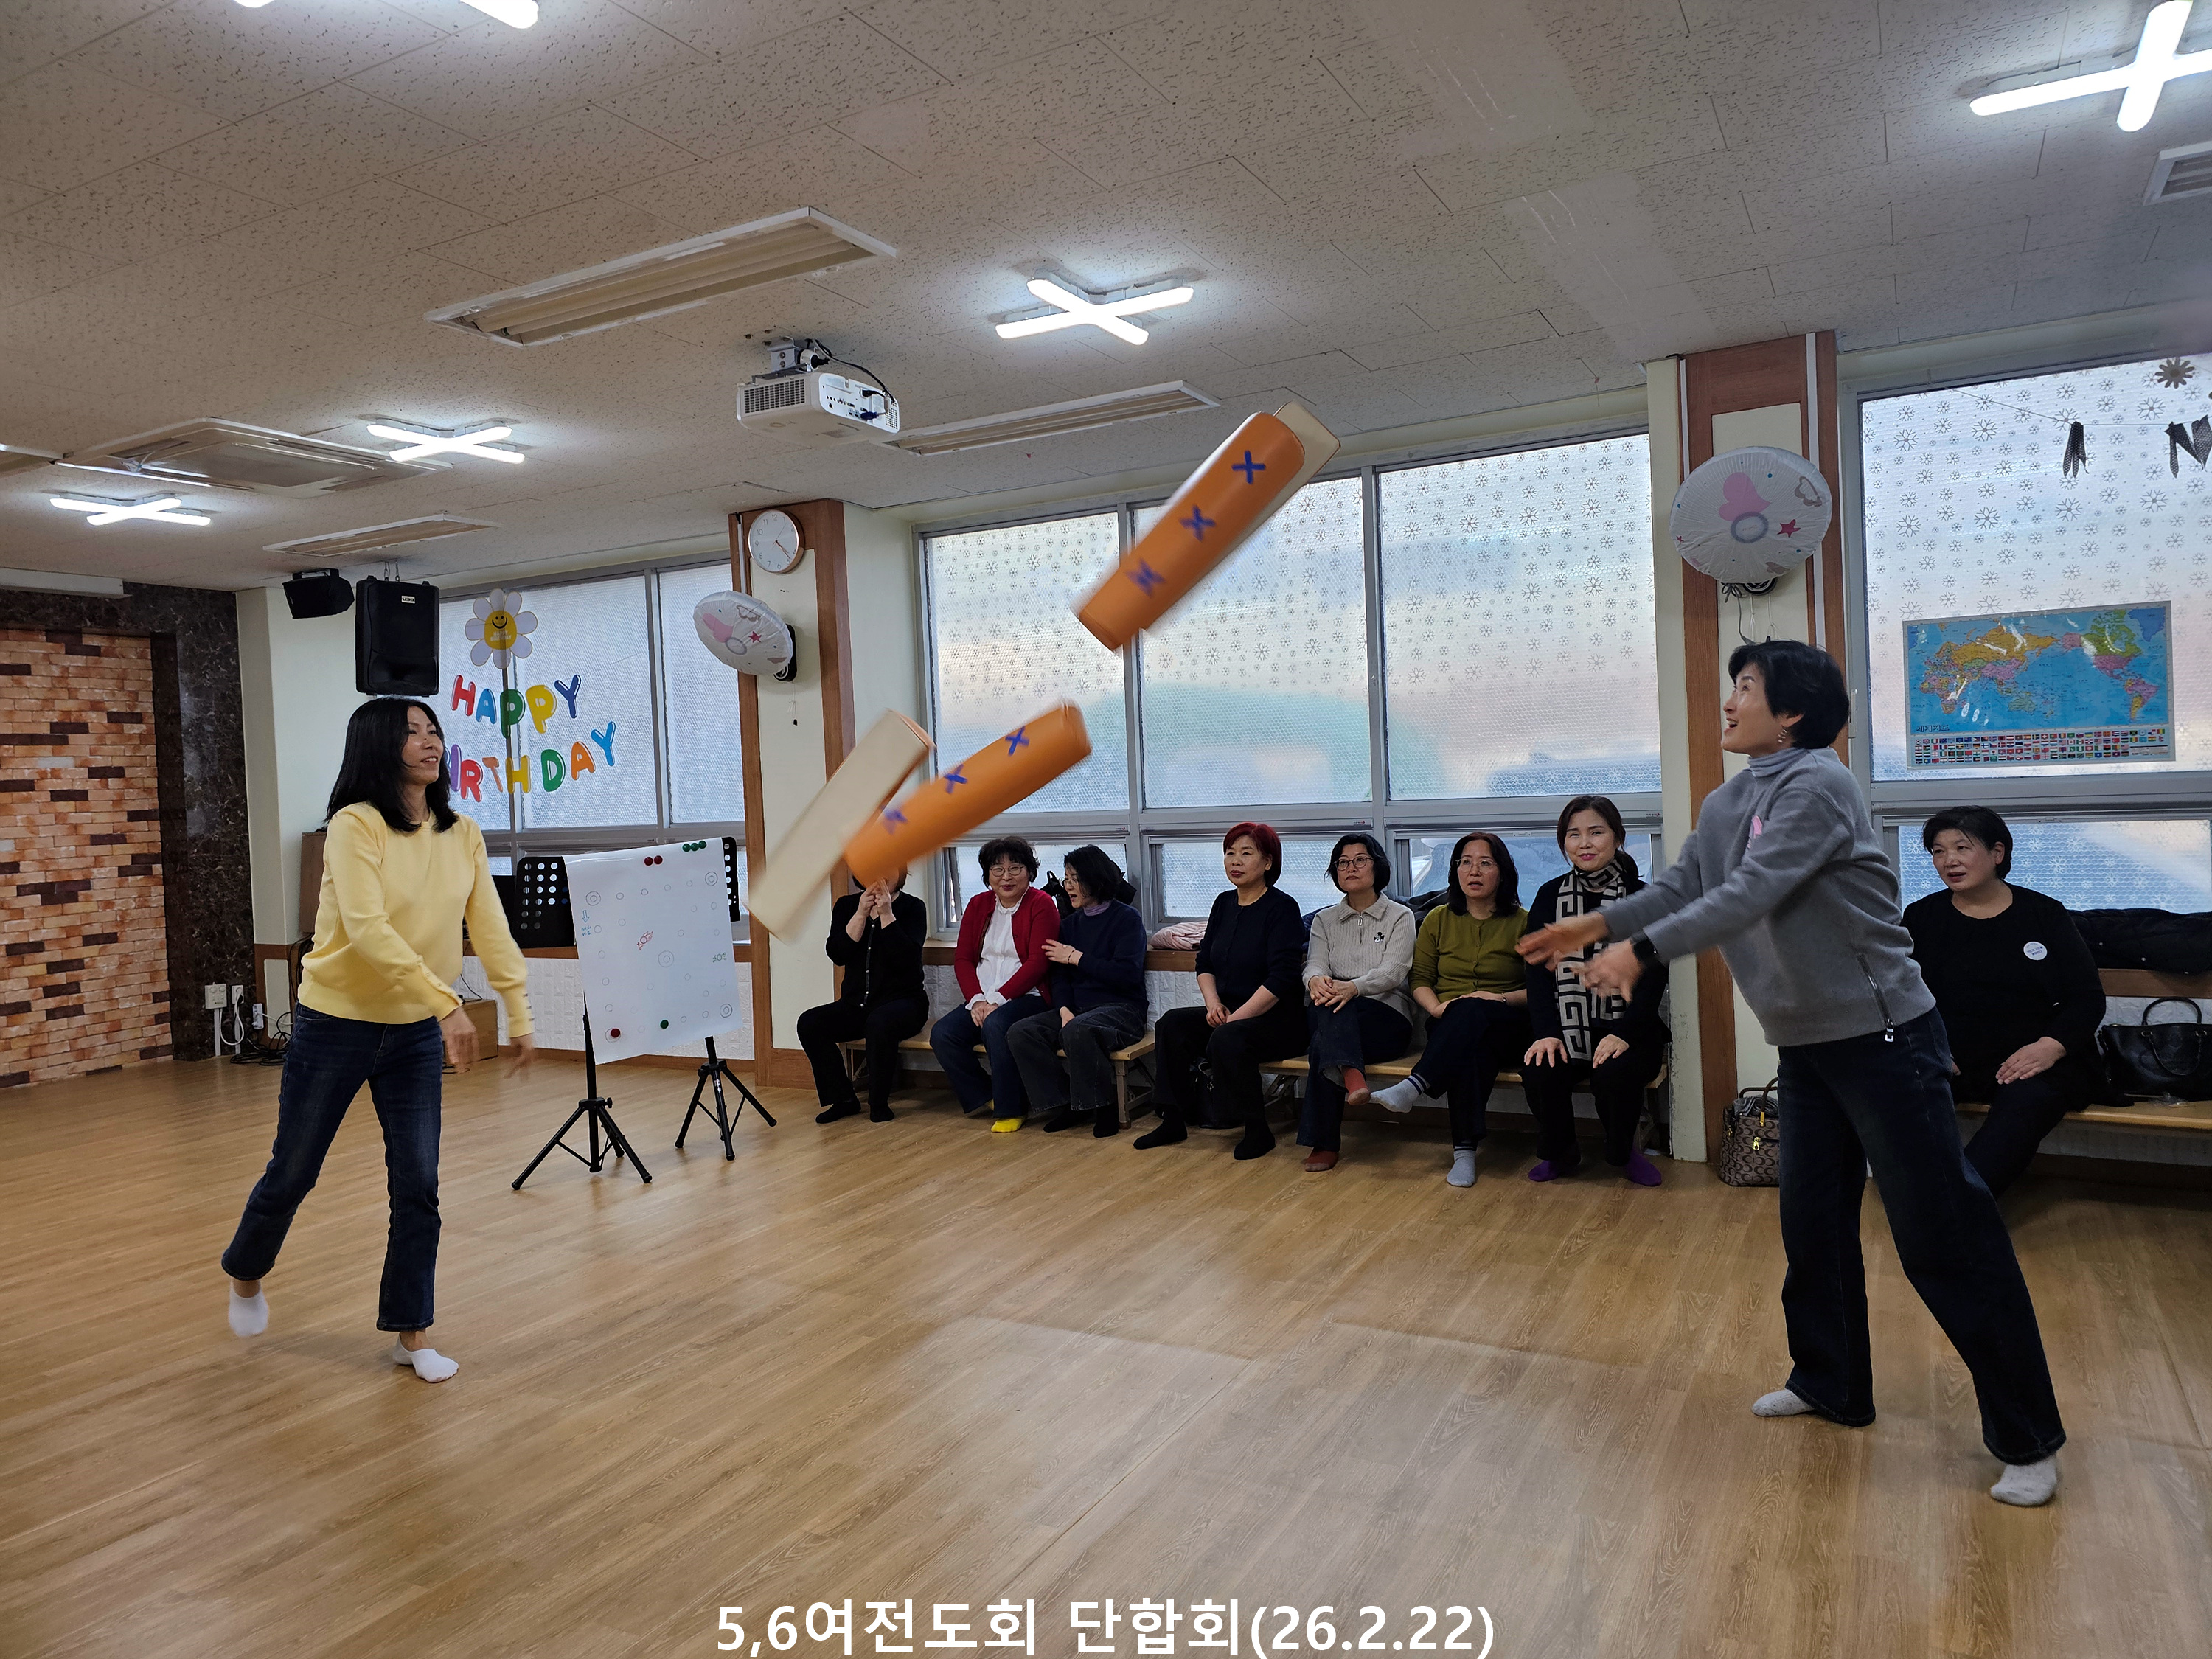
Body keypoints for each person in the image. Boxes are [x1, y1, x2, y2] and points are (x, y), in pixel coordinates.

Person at [1517, 639, 2065, 1507]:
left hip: (1886, 1038)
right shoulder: (1729, 799)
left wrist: (1640, 952)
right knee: (1811, 1223)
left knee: (1942, 1235)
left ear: (1793, 712)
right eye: (1732, 684)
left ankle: (2029, 1436)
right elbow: (1686, 884)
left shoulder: (1819, 785)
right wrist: (1595, 928)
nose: (1729, 701)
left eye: (1746, 687)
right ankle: (1830, 1382)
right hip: (1807, 1046)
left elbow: (1752, 892)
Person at [220, 698, 535, 1385]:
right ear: (378, 747)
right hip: (335, 1024)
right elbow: (366, 928)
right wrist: (447, 1004)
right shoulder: (354, 825)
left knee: (418, 1182)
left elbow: (490, 925)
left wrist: (517, 1007)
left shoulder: (463, 833)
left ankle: (411, 1331)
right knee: (294, 1170)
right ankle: (245, 1270)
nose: (430, 742)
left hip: (413, 1033)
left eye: (434, 730)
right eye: (411, 733)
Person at [1905, 805, 2106, 1197]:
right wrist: (1929, 1047)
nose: (1949, 861)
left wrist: (2050, 1047)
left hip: (2036, 1058)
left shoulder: (2044, 914)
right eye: (1938, 851)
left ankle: (1961, 1206)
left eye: (1962, 848)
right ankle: (1931, 1197)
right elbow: (1902, 995)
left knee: (2026, 1101)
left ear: (1997, 853)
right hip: (1952, 1056)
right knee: (1897, 1090)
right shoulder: (1922, 916)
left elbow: (2086, 997)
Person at [1359, 832, 1529, 1189]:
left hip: (1509, 1024)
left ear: (1502, 872)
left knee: (1473, 1012)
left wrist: (1496, 999)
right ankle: (1464, 1154)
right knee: (1471, 1049)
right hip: (1449, 1023)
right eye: (1465, 862)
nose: (1474, 871)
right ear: (1455, 870)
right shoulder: (1438, 919)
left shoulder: (1523, 922)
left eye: (1485, 863)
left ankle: (1416, 1085)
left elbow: (1538, 989)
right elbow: (1420, 978)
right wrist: (1437, 1009)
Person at [1520, 796, 1668, 1186]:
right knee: (1540, 1069)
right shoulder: (1549, 896)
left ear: (1617, 838)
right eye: (1574, 835)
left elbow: (1654, 977)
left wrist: (1624, 1034)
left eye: (1596, 832)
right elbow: (1537, 974)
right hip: (1566, 1025)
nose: (1584, 843)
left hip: (1629, 1026)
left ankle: (1624, 1154)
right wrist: (1547, 1032)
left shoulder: (1643, 898)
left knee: (1615, 1074)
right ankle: (1561, 1153)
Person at [1138, 823, 1308, 1159]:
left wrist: (1234, 1019)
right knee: (1171, 1025)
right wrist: (1213, 1004)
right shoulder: (1223, 903)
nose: (1235, 861)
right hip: (1228, 1011)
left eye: (1246, 853)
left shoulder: (1283, 907)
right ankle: (1173, 1119)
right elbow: (1205, 962)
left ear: (1268, 862)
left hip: (1278, 1020)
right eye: (1230, 853)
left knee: (1229, 1038)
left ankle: (1257, 1130)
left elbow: (1282, 979)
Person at [1007, 846, 1149, 1137]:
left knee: (1079, 1030)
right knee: (1021, 1032)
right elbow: (1059, 978)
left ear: (1095, 880)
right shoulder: (1069, 925)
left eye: (1075, 879)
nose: (1068, 886)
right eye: (1066, 879)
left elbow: (1126, 975)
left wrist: (1076, 957)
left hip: (1123, 1010)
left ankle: (1103, 1107)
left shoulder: (1127, 919)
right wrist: (1063, 1010)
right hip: (1080, 1010)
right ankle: (1069, 1104)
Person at [1296, 832, 1416, 1172]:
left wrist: (1353, 988)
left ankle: (1324, 1145)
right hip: (1336, 1012)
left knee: (1323, 1039)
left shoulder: (1400, 916)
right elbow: (1314, 964)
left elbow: (1394, 971)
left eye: (1360, 860)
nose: (1351, 867)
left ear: (1378, 867)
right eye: (1342, 863)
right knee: (1330, 1012)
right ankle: (1352, 1074)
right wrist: (1314, 980)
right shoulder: (1324, 920)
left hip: (1386, 1019)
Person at [930, 836, 1060, 1131]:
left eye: (1015, 868)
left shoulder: (1042, 904)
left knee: (996, 1024)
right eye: (997, 869)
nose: (1006, 877)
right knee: (944, 1034)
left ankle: (1011, 1108)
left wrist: (998, 1000)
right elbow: (963, 959)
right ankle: (986, 1096)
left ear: (1029, 872)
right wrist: (976, 1000)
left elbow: (1038, 963)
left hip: (1029, 996)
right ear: (987, 875)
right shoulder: (978, 904)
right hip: (983, 998)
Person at [796, 869, 929, 1125]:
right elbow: (838, 954)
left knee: (879, 1022)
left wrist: (887, 914)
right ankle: (843, 1099)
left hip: (905, 1005)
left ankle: (879, 1104)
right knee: (810, 1023)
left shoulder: (913, 907)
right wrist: (860, 914)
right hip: (856, 1005)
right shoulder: (846, 906)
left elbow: (905, 960)